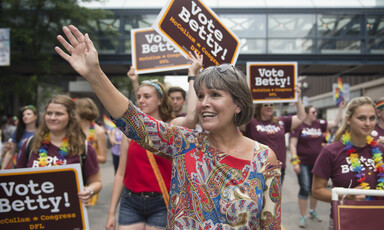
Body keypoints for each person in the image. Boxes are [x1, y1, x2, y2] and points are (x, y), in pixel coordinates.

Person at [55, 25, 281, 229]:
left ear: (239, 105)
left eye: (215, 95)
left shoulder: (263, 159)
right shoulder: (183, 143)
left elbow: (270, 225)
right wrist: (95, 75)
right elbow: (134, 122)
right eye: (200, 96)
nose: (204, 103)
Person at [105, 52, 201, 230]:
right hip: (130, 202)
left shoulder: (170, 128)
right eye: (139, 97)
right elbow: (120, 174)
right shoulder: (130, 133)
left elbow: (192, 119)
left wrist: (192, 75)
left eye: (147, 97)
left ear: (160, 100)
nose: (141, 100)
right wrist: (111, 213)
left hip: (161, 203)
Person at [15, 95, 102, 206]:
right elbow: (16, 179)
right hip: (33, 211)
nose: (52, 118)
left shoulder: (83, 148)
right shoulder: (30, 144)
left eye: (59, 114)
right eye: (49, 113)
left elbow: (96, 182)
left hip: (68, 213)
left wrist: (89, 191)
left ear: (70, 117)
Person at [311, 96, 384, 230]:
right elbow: (316, 191)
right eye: (361, 118)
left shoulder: (381, 151)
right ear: (348, 120)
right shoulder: (331, 151)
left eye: (372, 118)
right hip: (345, 220)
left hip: (378, 219)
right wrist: (347, 196)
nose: (368, 123)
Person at [289, 102, 345, 228]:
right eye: (313, 112)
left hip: (318, 163)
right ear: (307, 114)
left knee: (314, 189)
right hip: (302, 163)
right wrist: (295, 161)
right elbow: (292, 144)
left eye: (316, 112)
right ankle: (303, 216)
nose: (316, 114)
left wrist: (341, 109)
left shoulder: (319, 124)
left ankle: (312, 211)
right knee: (304, 188)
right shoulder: (299, 126)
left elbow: (335, 123)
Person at [241, 88, 305, 183]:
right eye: (266, 105)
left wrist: (298, 98)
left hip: (278, 168)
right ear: (259, 108)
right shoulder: (251, 123)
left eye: (271, 105)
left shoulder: (281, 121)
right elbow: (239, 120)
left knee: (275, 197)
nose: (269, 107)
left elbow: (301, 117)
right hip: (257, 168)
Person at [75, 97, 107, 206]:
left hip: (89, 174)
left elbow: (103, 158)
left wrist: (85, 155)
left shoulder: (99, 131)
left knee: (83, 205)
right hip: (74, 171)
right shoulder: (72, 130)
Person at [1, 105, 39, 169]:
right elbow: (10, 153)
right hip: (20, 167)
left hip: (36, 167)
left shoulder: (41, 132)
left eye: (28, 114)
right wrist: (2, 170)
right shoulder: (18, 132)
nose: (25, 116)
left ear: (36, 116)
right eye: (23, 115)